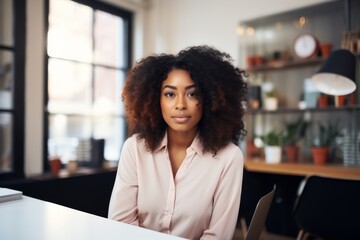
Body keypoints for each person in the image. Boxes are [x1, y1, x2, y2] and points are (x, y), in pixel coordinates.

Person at [108, 45, 247, 240]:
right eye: (170, 94)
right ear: (155, 100)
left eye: (192, 94)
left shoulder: (229, 157)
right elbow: (120, 224)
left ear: (209, 100)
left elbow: (217, 236)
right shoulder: (135, 149)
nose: (180, 104)